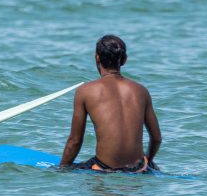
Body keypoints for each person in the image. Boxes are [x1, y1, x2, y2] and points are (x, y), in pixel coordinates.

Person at [59, 34, 162, 173]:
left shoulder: (85, 91)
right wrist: (148, 161)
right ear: (124, 60)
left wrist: (62, 168)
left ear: (97, 58)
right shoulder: (141, 91)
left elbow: (75, 141)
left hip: (104, 168)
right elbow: (156, 138)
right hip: (138, 168)